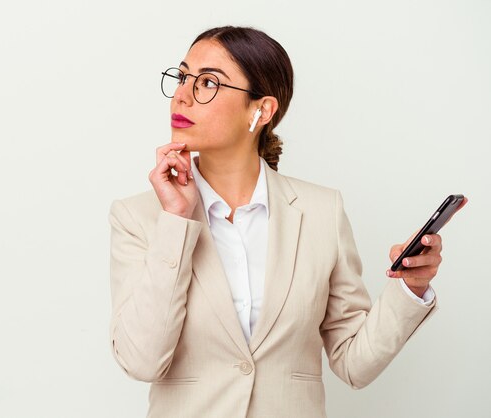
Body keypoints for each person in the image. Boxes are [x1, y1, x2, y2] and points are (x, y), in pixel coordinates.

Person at [108, 26, 467, 418]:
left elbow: (354, 363)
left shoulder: (321, 212)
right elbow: (141, 361)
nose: (181, 95)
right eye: (182, 76)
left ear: (261, 111)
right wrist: (176, 220)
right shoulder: (139, 217)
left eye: (208, 82)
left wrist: (411, 287)